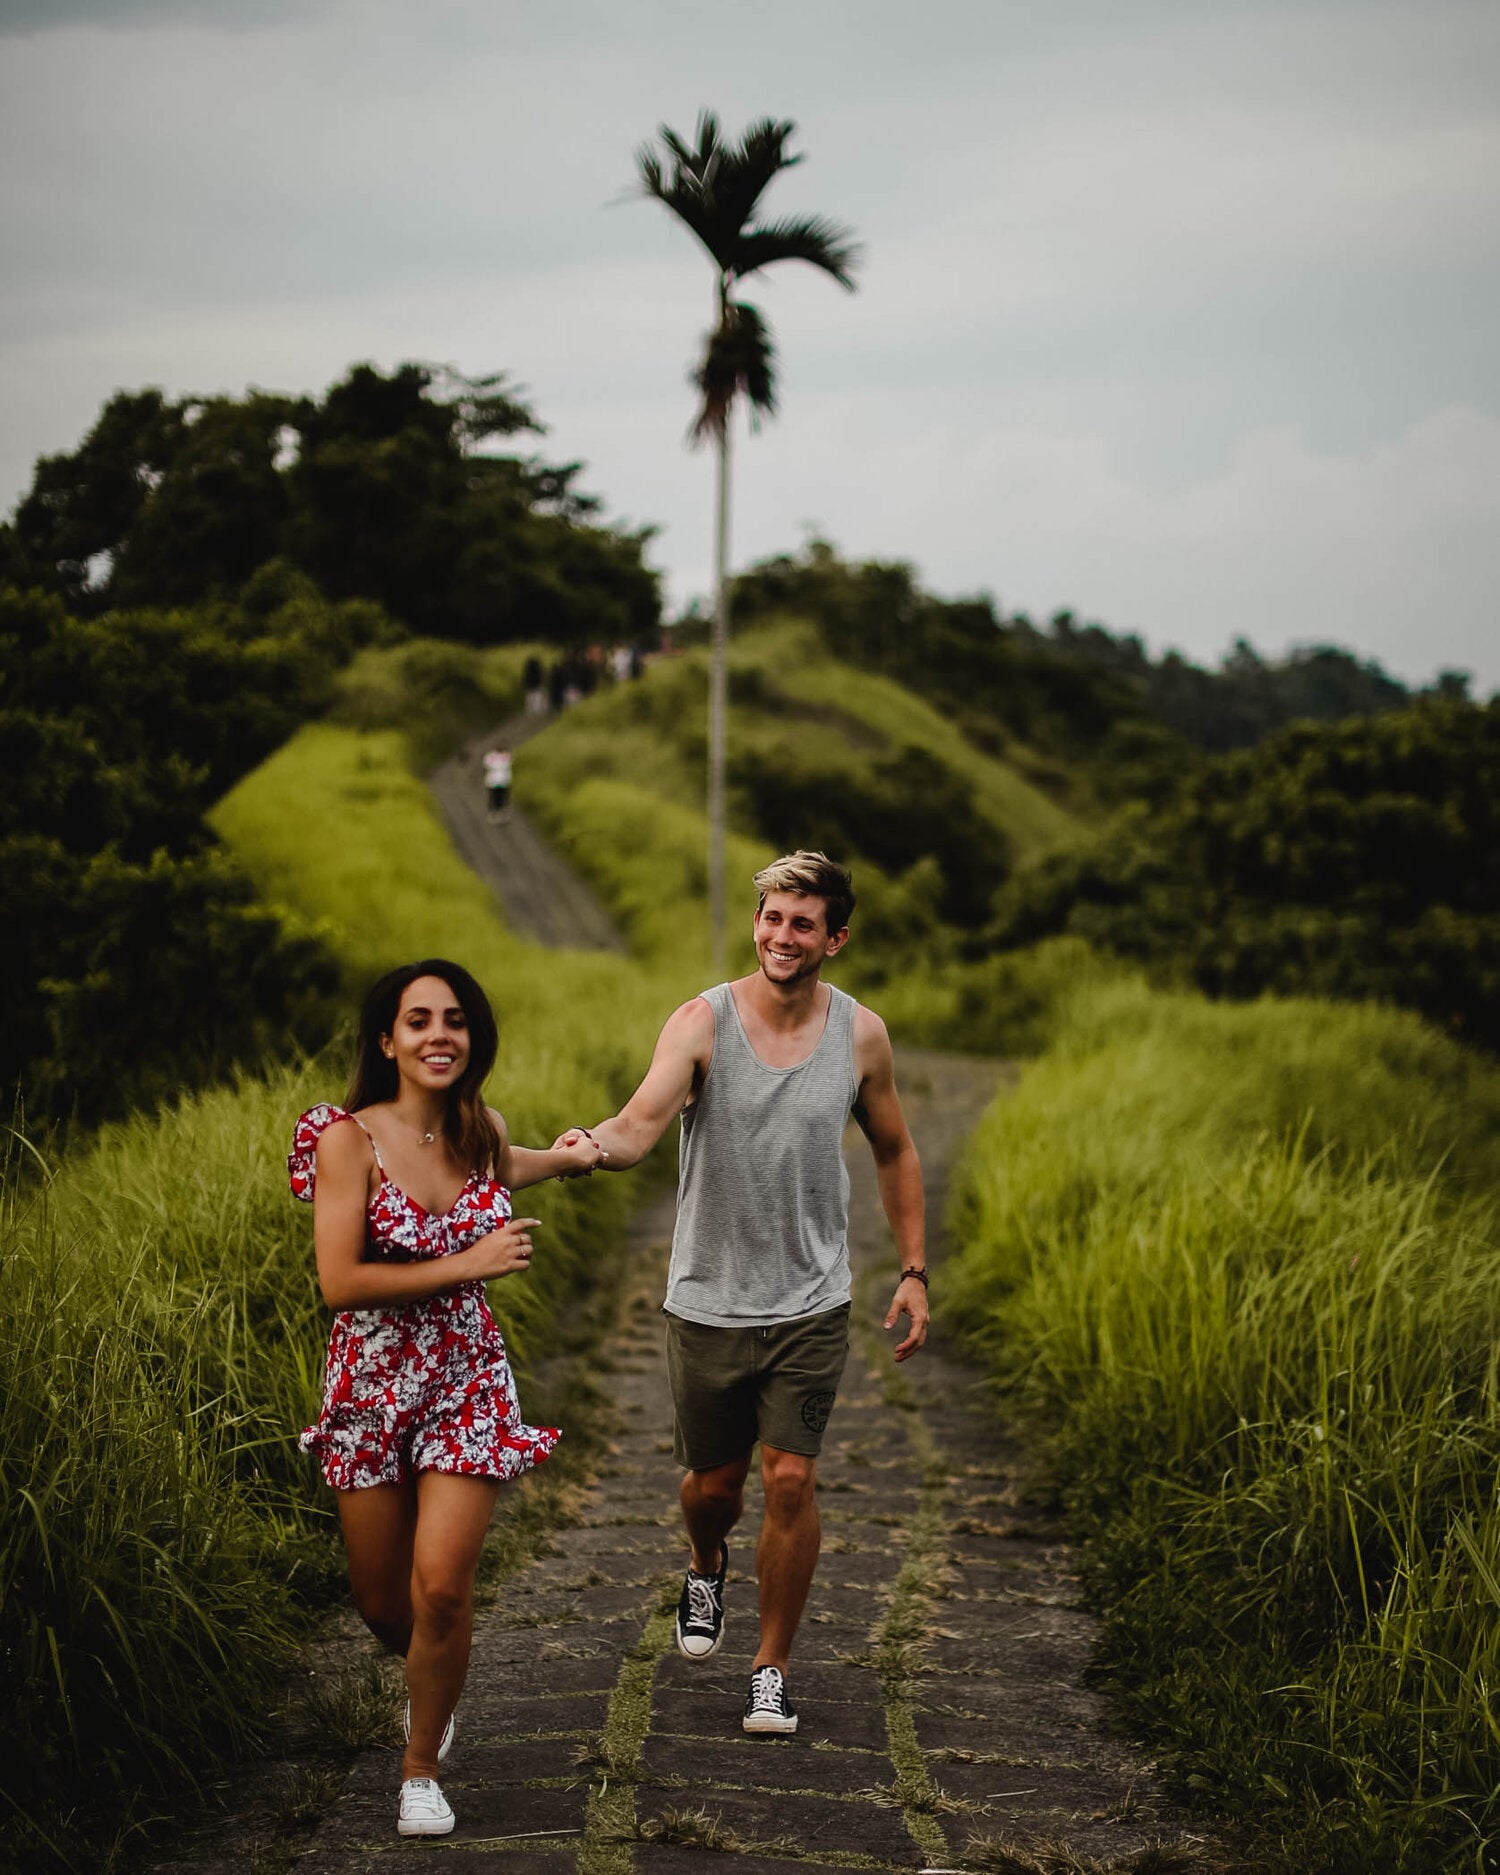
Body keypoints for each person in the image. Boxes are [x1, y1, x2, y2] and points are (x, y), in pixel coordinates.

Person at [554, 851, 927, 1735]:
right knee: (711, 1488)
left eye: (802, 922)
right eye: (770, 917)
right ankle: (705, 1558)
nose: (781, 935)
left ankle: (770, 1668)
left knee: (791, 1479)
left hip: (811, 1300)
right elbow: (639, 1124)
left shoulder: (862, 1035)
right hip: (708, 1301)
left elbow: (895, 1149)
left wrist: (913, 1269)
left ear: (836, 936)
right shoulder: (701, 1021)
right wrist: (588, 1146)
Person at [289, 959, 603, 1838]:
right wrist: (472, 1262)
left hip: (467, 1377)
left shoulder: (479, 1127)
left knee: (442, 1593)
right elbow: (339, 1281)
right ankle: (435, 1679)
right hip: (369, 1386)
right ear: (386, 1040)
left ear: (473, 1037)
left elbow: (509, 1165)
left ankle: (420, 1766)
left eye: (455, 1019)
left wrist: (568, 1158)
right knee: (385, 1606)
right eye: (418, 1019)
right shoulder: (345, 1139)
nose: (439, 1035)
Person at [482, 744, 513, 820]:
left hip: (502, 781)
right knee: (495, 797)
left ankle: (501, 813)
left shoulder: (505, 756)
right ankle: (494, 813)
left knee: (501, 797)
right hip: (494, 781)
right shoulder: (491, 756)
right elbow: (487, 764)